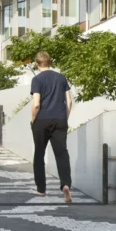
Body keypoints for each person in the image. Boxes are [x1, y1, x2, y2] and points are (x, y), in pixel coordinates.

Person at [29, 51, 73, 203]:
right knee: (62, 153)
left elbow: (36, 103)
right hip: (60, 119)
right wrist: (64, 117)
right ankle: (66, 185)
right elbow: (69, 101)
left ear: (37, 63)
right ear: (50, 61)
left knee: (39, 153)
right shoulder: (61, 78)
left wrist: (33, 119)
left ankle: (41, 189)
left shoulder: (37, 79)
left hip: (42, 120)